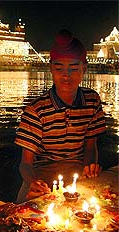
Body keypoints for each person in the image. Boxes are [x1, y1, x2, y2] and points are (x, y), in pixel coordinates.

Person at [15, 29, 106, 203]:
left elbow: (90, 147)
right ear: (51, 69)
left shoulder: (92, 101)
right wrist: (33, 182)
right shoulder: (36, 110)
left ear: (84, 68)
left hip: (77, 178)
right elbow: (25, 163)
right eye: (59, 68)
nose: (66, 75)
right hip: (41, 178)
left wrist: (90, 167)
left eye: (73, 68)